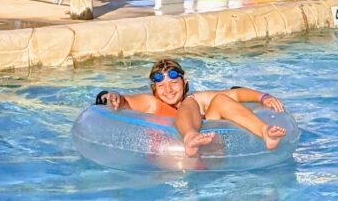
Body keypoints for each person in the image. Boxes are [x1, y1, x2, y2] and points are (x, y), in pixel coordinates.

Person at [96, 59, 287, 157]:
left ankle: (264, 132)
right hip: (170, 158)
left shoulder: (195, 100)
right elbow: (122, 102)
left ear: (184, 82)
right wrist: (111, 95)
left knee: (214, 100)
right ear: (154, 89)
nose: (168, 89)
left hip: (209, 156)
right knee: (191, 102)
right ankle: (189, 137)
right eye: (161, 86)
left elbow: (235, 94)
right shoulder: (152, 104)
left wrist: (263, 97)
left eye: (174, 83)